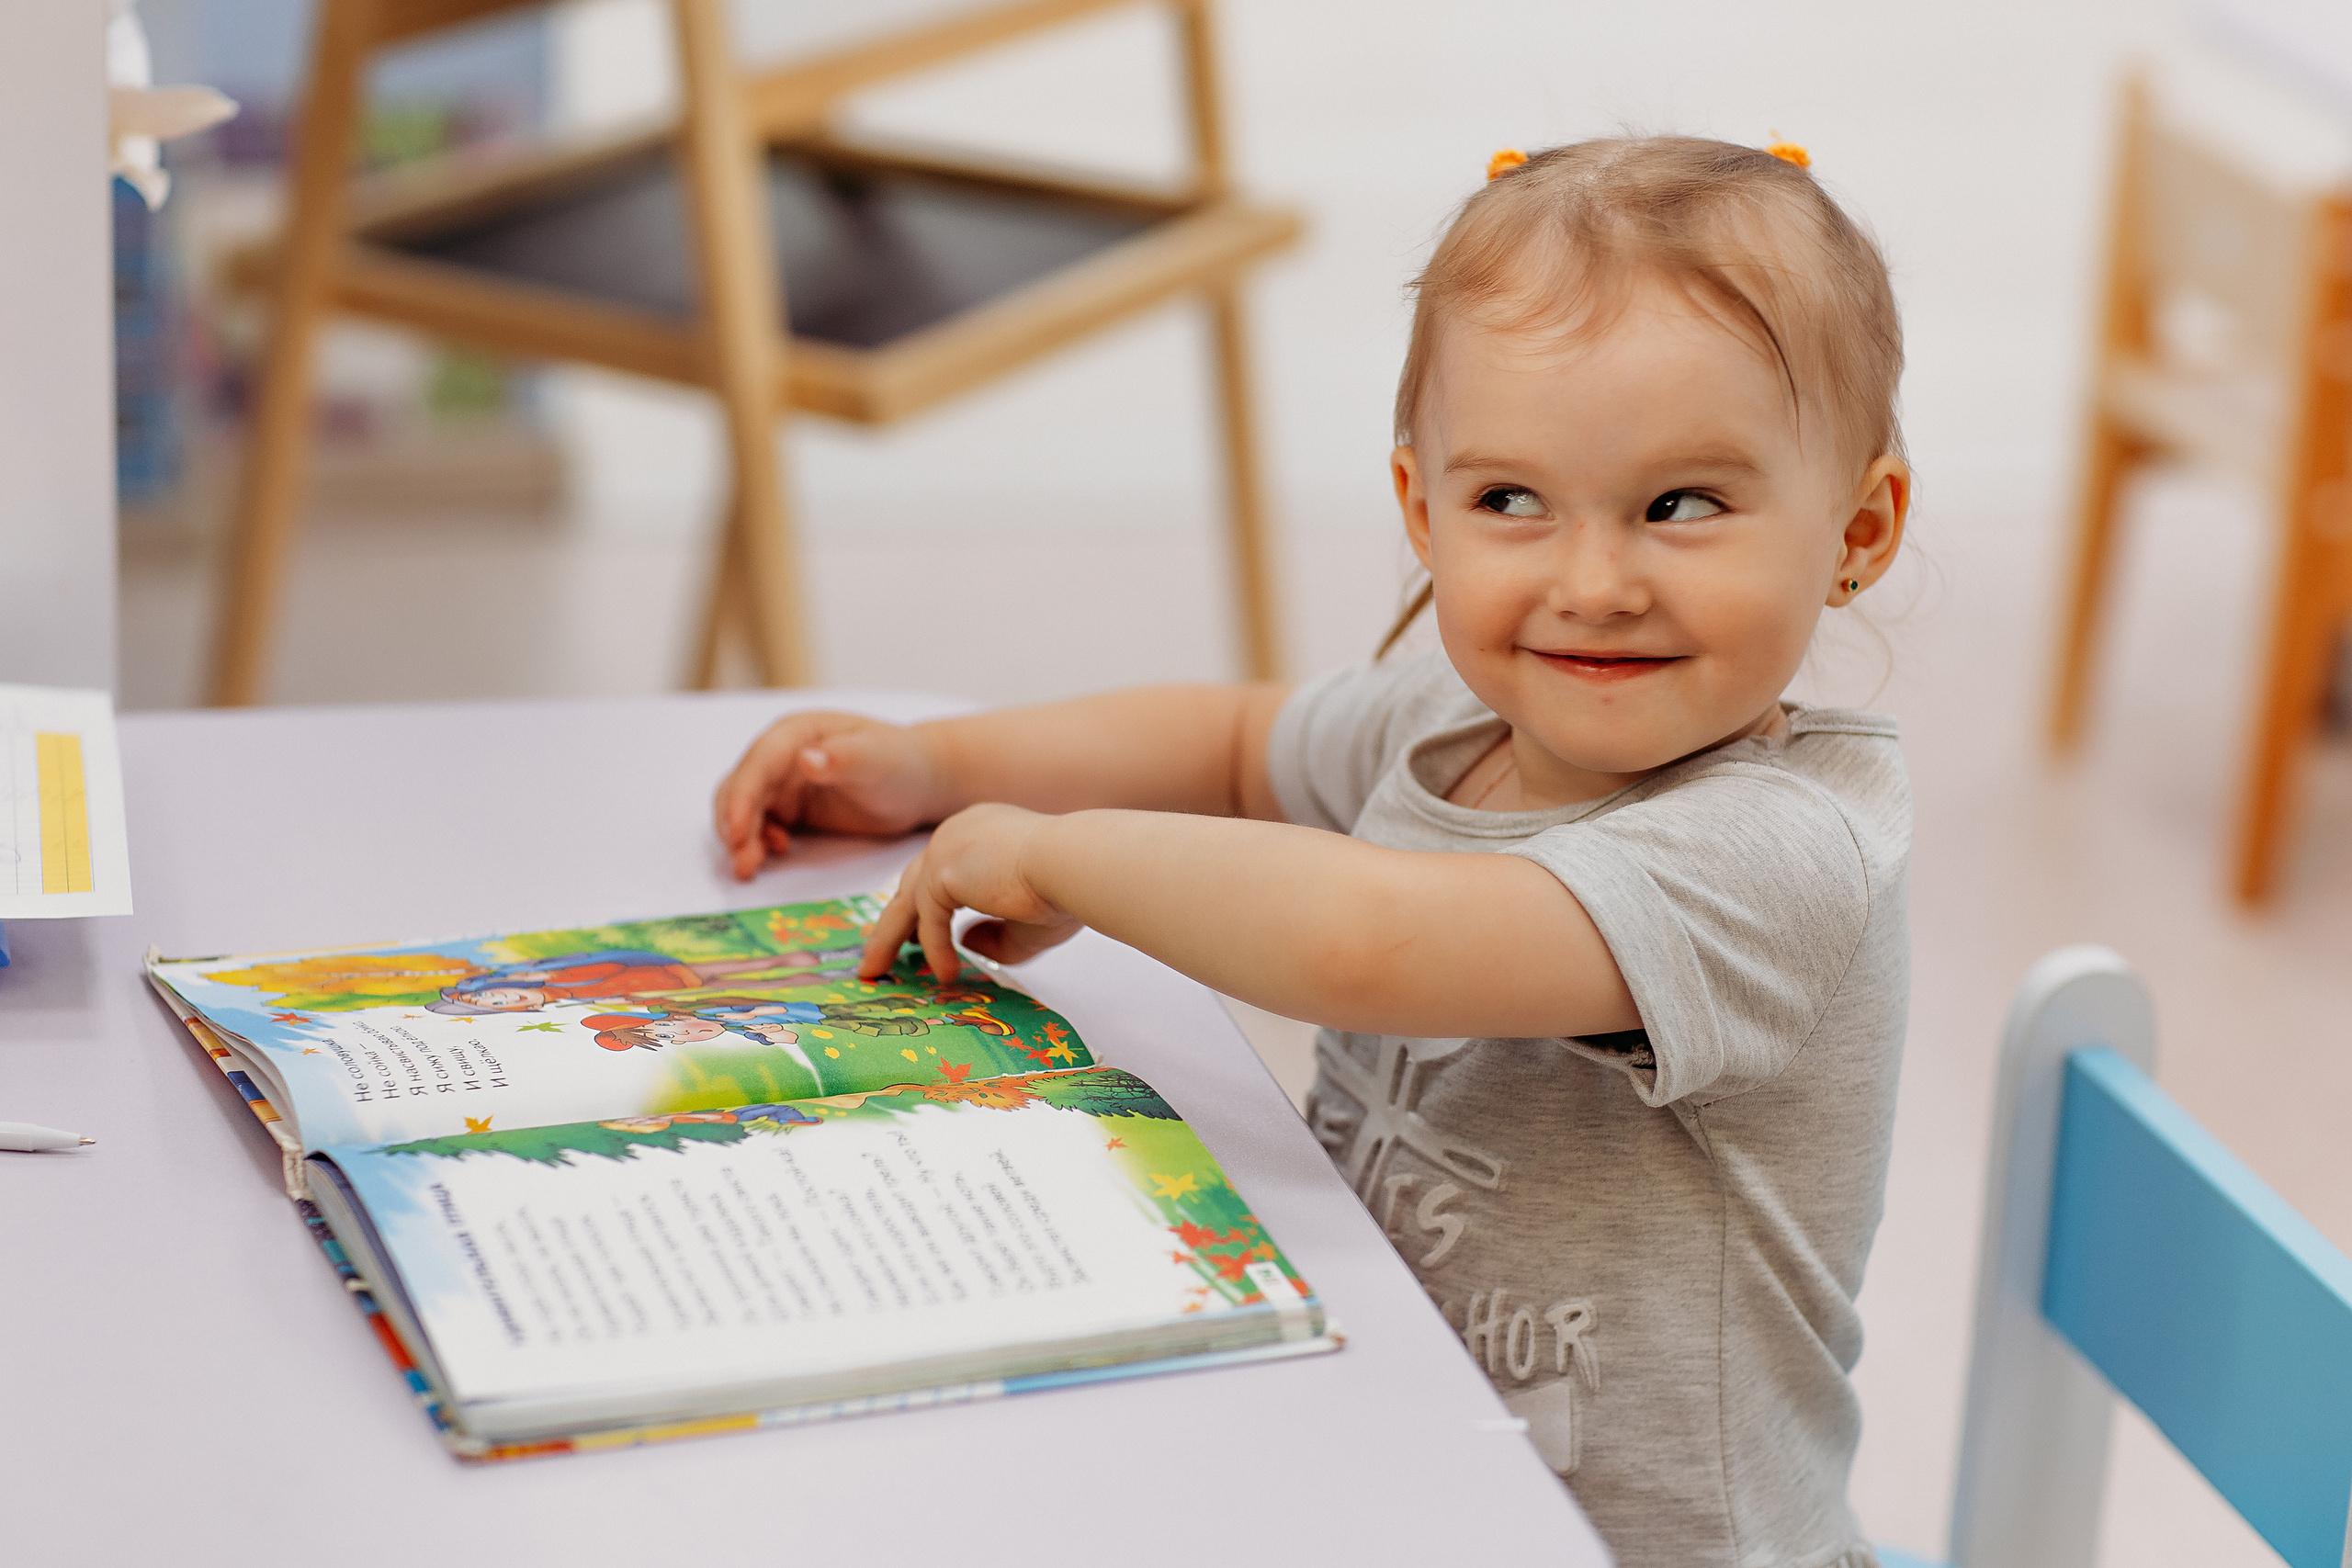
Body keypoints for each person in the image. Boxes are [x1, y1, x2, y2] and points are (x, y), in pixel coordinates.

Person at [711, 136, 1909, 1568]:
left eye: (1683, 505)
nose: (1592, 584)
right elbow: (1230, 743)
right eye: (1511, 501)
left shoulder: (1784, 850)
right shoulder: (1452, 720)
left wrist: (1057, 858)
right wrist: (937, 766)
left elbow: (1368, 943)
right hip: (1388, 1470)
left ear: (1859, 529)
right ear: (1422, 509)